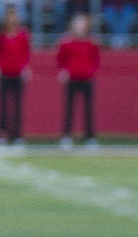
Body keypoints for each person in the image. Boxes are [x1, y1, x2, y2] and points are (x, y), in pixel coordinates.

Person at [56, 13, 100, 148]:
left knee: (88, 109)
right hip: (71, 79)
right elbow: (60, 59)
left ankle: (90, 137)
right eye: (77, 23)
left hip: (87, 79)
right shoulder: (67, 42)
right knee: (69, 108)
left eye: (82, 23)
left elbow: (96, 59)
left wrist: (91, 71)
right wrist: (64, 71)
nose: (79, 26)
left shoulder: (91, 42)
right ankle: (66, 136)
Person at [0, 5, 30, 146]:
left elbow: (26, 53)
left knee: (17, 106)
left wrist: (25, 68)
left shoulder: (22, 35)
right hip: (4, 74)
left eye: (14, 16)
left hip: (18, 73)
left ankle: (17, 135)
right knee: (3, 105)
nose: (12, 19)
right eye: (9, 16)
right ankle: (2, 133)